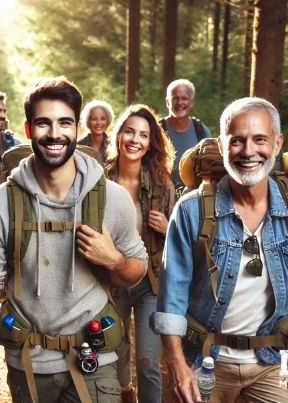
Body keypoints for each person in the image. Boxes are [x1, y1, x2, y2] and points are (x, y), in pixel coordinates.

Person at [0, 76, 148, 403]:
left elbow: (137, 270)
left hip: (95, 358)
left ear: (78, 128)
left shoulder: (111, 199)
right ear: (27, 128)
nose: (54, 134)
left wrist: (114, 261)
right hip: (29, 363)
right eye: (43, 123)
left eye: (64, 122)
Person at [153, 97, 288, 402]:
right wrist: (176, 365)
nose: (249, 151)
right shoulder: (191, 212)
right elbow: (171, 297)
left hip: (274, 363)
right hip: (201, 359)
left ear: (277, 145)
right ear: (223, 146)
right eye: (237, 141)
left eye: (259, 139)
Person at [106, 104, 176, 403]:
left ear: (151, 143)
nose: (135, 139)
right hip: (109, 281)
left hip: (150, 283)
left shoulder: (162, 183)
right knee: (113, 354)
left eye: (144, 135)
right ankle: (124, 392)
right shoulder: (99, 179)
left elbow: (183, 241)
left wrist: (167, 228)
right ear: (119, 135)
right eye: (130, 131)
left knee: (148, 361)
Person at [162, 79, 212, 189]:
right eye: (175, 98)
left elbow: (210, 170)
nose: (180, 102)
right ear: (167, 102)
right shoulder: (156, 130)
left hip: (193, 198)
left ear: (192, 102)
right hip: (160, 198)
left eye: (184, 98)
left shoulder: (202, 131)